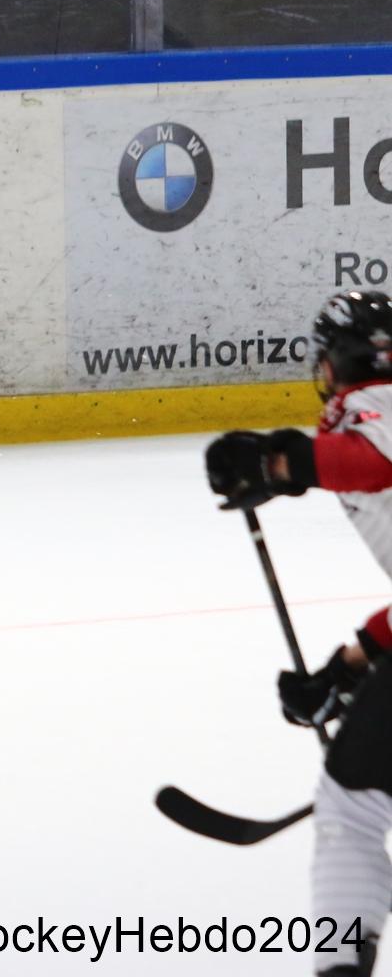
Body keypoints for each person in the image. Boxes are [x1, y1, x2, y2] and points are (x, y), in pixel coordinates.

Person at [206, 288, 392, 976]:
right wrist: (348, 666)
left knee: (352, 805)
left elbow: (374, 461)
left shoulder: (374, 410)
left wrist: (282, 461)